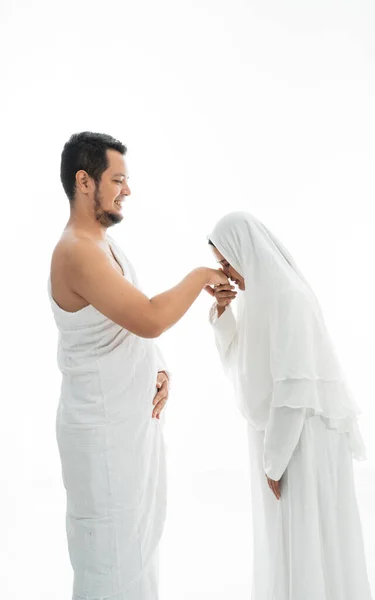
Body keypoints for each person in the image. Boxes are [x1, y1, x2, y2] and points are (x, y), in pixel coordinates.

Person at [49, 131, 228, 600]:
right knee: (109, 560)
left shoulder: (101, 245)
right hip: (102, 434)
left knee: (136, 550)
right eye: (119, 179)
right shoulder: (77, 251)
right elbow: (148, 318)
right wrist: (202, 275)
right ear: (84, 181)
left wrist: (158, 369)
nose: (127, 190)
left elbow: (118, 324)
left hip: (127, 428)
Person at [207, 212, 373, 600]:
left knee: (304, 533)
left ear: (245, 252)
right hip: (280, 437)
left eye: (227, 262)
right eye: (221, 266)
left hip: (303, 437)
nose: (227, 274)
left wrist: (274, 460)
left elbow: (294, 387)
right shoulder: (258, 299)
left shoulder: (287, 297)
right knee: (285, 536)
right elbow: (241, 365)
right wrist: (222, 311)